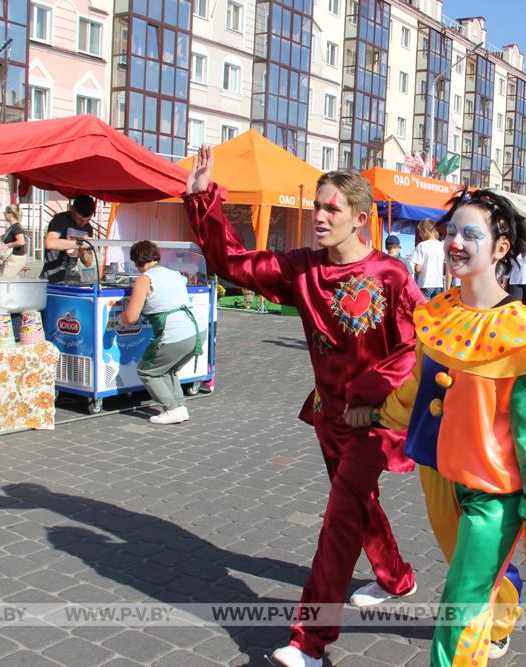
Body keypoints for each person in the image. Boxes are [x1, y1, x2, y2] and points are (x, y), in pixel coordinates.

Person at [184, 147, 419, 667]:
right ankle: (397, 577)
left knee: (338, 520)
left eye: (332, 209)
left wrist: (371, 400)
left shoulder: (390, 275)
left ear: (360, 219)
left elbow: (415, 347)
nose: (319, 216)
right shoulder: (301, 270)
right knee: (357, 503)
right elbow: (234, 264)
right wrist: (203, 198)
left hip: (375, 420)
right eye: (317, 206)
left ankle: (308, 643)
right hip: (328, 416)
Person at [376, 189, 526, 667]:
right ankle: (500, 614)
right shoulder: (438, 311)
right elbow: (416, 389)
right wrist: (376, 417)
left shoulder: (519, 330)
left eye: (471, 234)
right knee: (466, 574)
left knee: (460, 602)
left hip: (493, 491)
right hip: (438, 472)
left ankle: (484, 634)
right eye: (451, 233)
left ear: (500, 249)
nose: (456, 243)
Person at [116, 241, 201, 425]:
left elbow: (131, 317)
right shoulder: (173, 273)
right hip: (194, 331)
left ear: (136, 260)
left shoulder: (145, 279)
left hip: (173, 334)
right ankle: (180, 407)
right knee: (168, 369)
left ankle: (170, 409)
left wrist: (119, 319)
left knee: (147, 370)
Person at [41, 194, 96, 284]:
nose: (83, 223)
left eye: (87, 219)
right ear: (72, 209)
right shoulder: (61, 219)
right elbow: (49, 243)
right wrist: (79, 243)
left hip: (71, 280)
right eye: (80, 219)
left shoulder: (88, 228)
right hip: (51, 279)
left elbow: (88, 262)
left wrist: (83, 253)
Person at [412, 218, 446, 299]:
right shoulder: (442, 246)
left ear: (425, 231)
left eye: (420, 232)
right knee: (436, 310)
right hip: (439, 284)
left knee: (423, 310)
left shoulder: (421, 245)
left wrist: (416, 273)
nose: (420, 235)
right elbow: (444, 268)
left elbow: (417, 268)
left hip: (425, 284)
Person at [0, 204, 28, 278]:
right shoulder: (13, 227)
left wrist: (7, 245)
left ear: (10, 213)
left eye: (5, 212)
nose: (4, 214)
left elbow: (21, 242)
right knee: (11, 282)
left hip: (15, 259)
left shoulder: (16, 227)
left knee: (6, 282)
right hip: (12, 259)